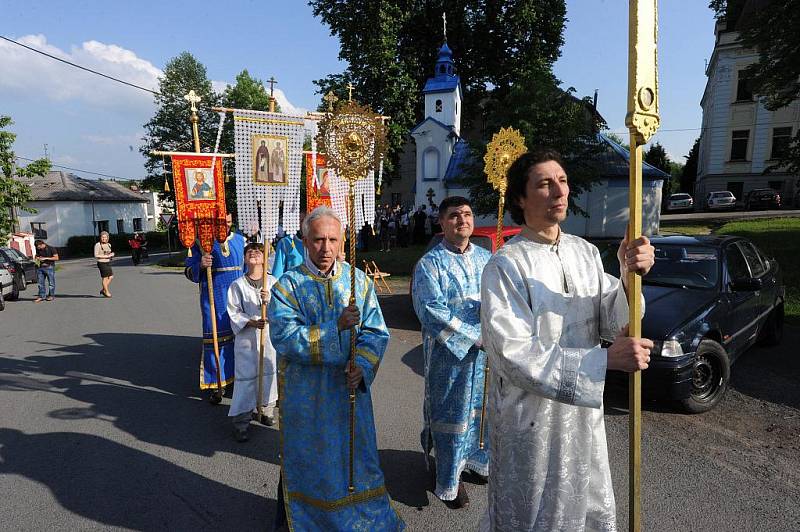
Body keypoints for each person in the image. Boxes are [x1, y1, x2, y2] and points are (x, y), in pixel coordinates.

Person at [478, 149, 655, 531]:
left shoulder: (585, 253)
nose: (559, 190)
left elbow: (613, 321)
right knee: (533, 515)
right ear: (521, 199)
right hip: (531, 422)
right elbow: (512, 354)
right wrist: (603, 363)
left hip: (581, 418)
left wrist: (629, 275)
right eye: (544, 183)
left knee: (583, 508)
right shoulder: (505, 265)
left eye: (562, 180)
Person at [268, 206, 404, 531]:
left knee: (357, 459)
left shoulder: (358, 282)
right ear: (305, 241)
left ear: (343, 241)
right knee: (308, 462)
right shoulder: (287, 286)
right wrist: (335, 327)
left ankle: (361, 518)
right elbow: (285, 337)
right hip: (308, 397)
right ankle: (301, 518)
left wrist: (363, 366)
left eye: (332, 239)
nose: (325, 248)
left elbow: (375, 331)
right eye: (318, 240)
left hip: (348, 392)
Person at [412, 196, 491, 509]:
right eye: (455, 215)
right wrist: (473, 336)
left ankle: (476, 462)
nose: (463, 220)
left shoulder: (489, 260)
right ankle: (448, 479)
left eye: (468, 214)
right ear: (442, 222)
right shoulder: (430, 264)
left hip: (486, 357)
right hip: (450, 358)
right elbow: (430, 309)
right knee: (452, 416)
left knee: (482, 415)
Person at [184, 213, 246, 403]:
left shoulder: (241, 241)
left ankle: (242, 378)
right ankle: (217, 382)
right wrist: (201, 265)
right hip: (214, 297)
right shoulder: (201, 243)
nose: (226, 226)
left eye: (228, 222)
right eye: (222, 223)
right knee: (217, 339)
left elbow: (250, 267)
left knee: (242, 338)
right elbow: (188, 270)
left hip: (240, 296)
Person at [226, 242, 278, 442]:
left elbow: (284, 310)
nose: (254, 254)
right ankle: (242, 421)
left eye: (258, 251)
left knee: (268, 374)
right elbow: (233, 311)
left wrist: (270, 299)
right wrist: (250, 321)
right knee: (246, 380)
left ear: (265, 259)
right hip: (247, 340)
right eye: (250, 252)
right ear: (245, 259)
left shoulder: (273, 283)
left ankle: (266, 410)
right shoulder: (237, 284)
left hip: (269, 338)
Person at [94, 231, 115, 298]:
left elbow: (108, 254)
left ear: (107, 238)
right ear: (100, 237)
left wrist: (111, 255)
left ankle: (103, 289)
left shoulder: (109, 244)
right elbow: (96, 255)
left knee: (111, 277)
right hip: (101, 263)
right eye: (102, 237)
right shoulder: (98, 245)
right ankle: (107, 292)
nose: (104, 238)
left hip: (108, 262)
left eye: (105, 237)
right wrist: (107, 256)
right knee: (105, 278)